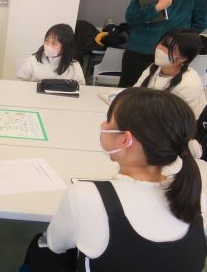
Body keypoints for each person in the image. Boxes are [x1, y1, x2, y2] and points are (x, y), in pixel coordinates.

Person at [23, 87, 206, 271]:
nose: (103, 125)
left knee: (41, 248)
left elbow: (56, 244)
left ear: (124, 140)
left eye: (109, 121)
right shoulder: (195, 195)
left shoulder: (86, 194)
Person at [119, 0, 207, 87]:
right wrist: (158, 7)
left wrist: (179, 40)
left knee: (163, 97)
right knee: (129, 93)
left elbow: (200, 23)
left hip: (172, 55)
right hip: (139, 50)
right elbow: (131, 17)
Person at [135, 29, 205, 118]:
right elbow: (134, 93)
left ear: (182, 58)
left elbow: (170, 120)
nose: (160, 49)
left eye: (168, 48)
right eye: (162, 43)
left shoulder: (189, 83)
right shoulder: (154, 68)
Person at [17, 23, 85, 84]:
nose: (48, 45)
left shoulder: (74, 66)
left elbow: (81, 87)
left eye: (54, 43)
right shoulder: (32, 60)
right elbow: (19, 82)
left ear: (66, 47)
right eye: (46, 40)